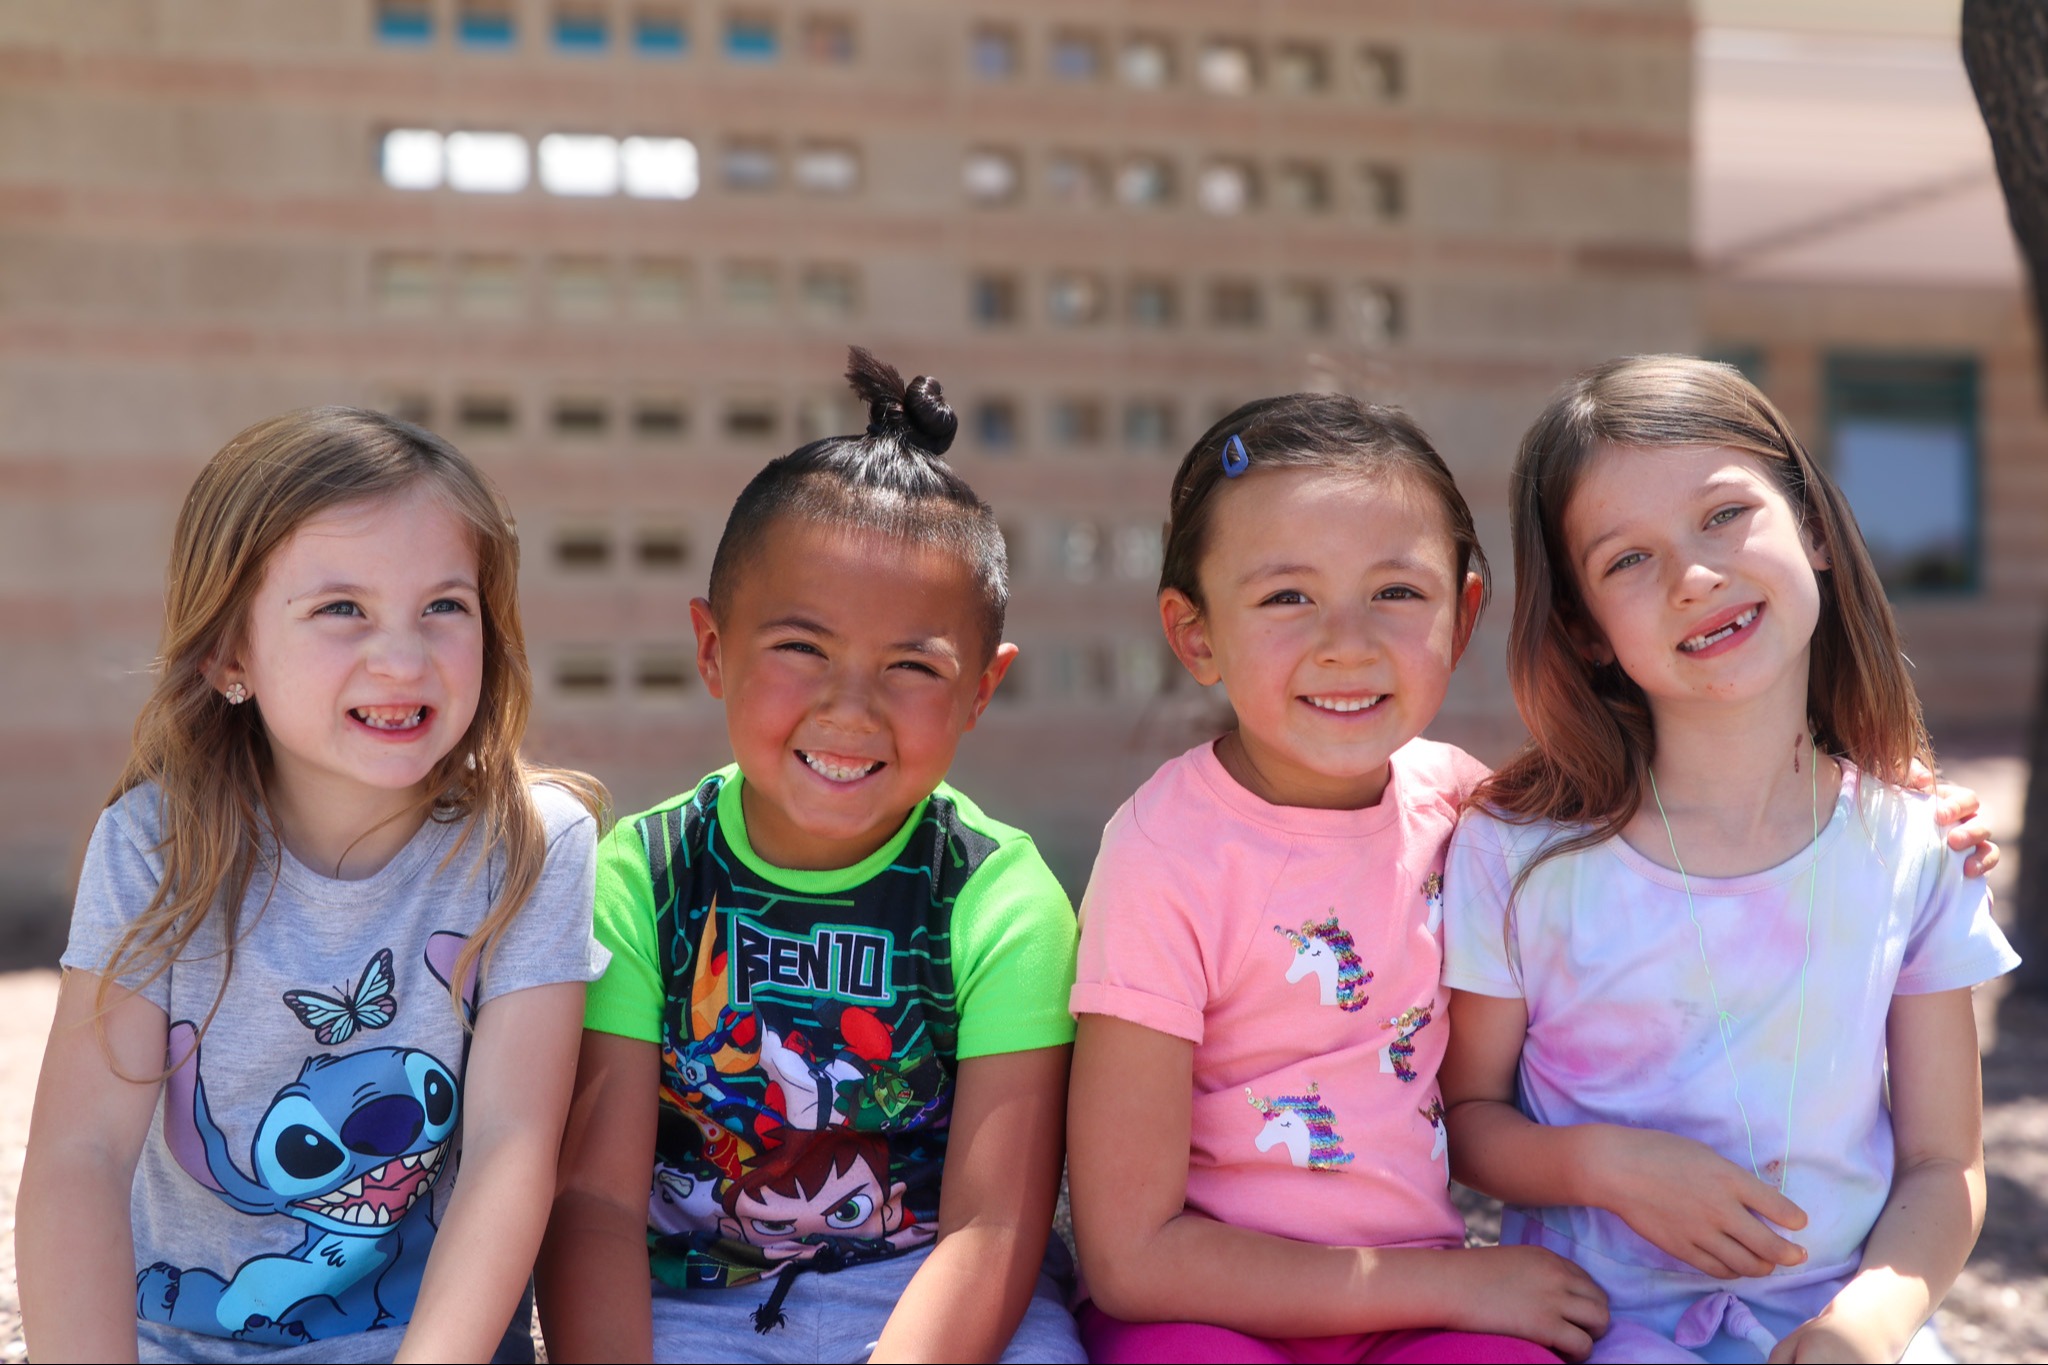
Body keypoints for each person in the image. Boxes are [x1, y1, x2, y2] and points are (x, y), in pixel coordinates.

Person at [1439, 356, 2019, 1363]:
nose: (1693, 577)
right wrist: (1604, 1167)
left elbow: (1941, 1164)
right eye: (1626, 560)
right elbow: (1465, 1119)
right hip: (1595, 1328)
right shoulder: (1518, 852)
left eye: (1722, 516)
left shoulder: (1910, 846)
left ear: (1816, 532)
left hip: (1840, 1319)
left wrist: (1866, 1325)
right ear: (1580, 628)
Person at [17, 408, 608, 1363]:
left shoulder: (534, 842)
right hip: (180, 1339)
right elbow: (77, 1160)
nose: (403, 657)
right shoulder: (152, 845)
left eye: (445, 607)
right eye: (344, 609)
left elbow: (510, 1148)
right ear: (229, 654)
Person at [536, 350, 1083, 1364]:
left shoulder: (999, 898)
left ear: (981, 689)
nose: (850, 708)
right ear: (711, 648)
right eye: (801, 649)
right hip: (692, 1303)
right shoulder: (640, 874)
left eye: (912, 668)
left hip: (931, 1301)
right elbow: (598, 1201)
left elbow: (991, 1228)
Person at [1066, 394, 1608, 1365]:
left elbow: (1663, 843)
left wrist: (1871, 805)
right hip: (1200, 1317)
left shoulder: (1463, 810)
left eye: (1395, 593)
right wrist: (1457, 1282)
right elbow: (1127, 1256)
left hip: (1412, 1322)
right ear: (1194, 637)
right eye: (1285, 597)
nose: (1346, 642)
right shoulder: (1160, 857)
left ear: (1462, 610)